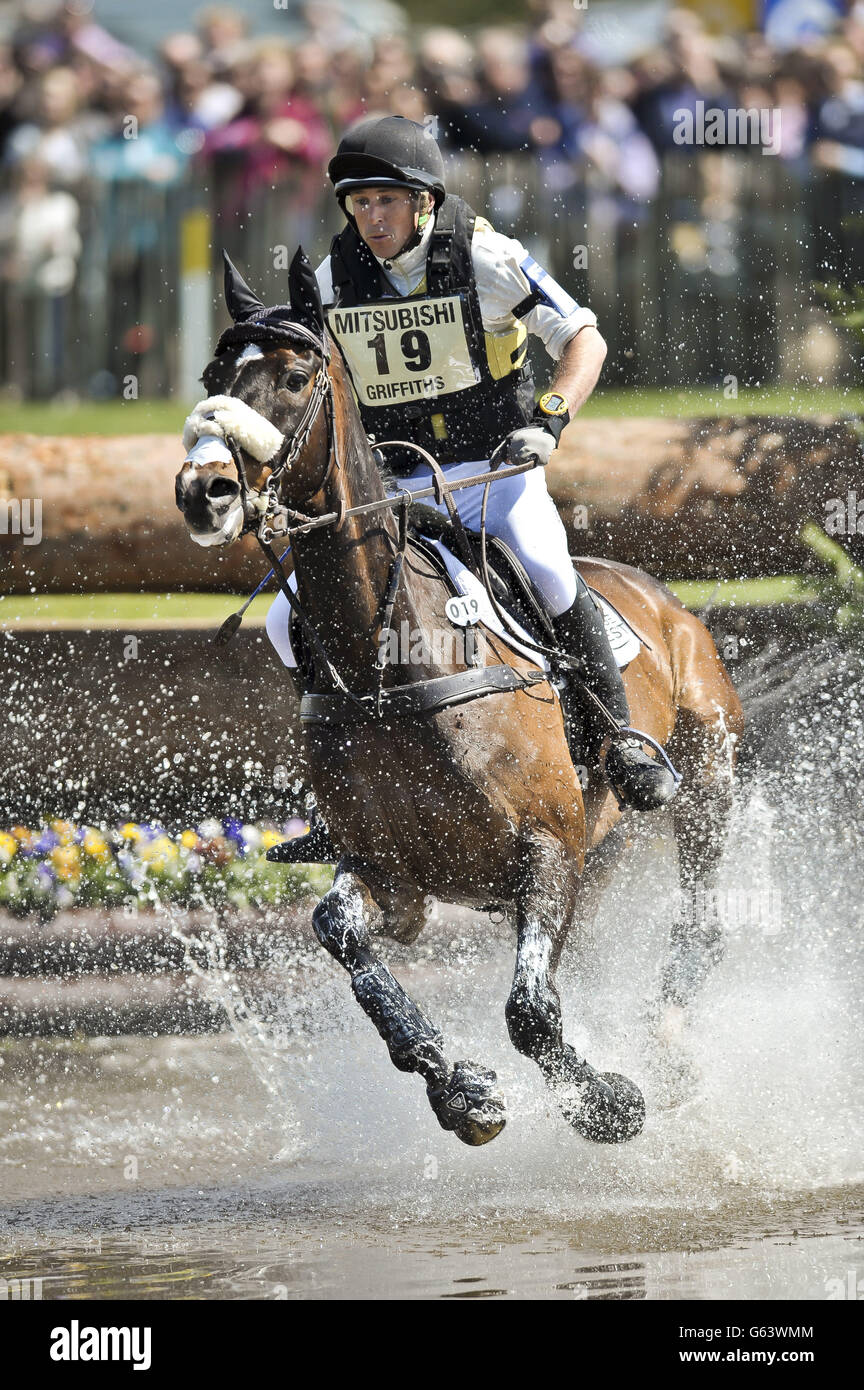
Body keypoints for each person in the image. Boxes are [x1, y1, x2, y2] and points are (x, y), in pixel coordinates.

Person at [267, 113, 677, 812]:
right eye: (360, 204)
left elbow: (585, 338)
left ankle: (620, 739)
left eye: (385, 201)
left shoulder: (486, 258)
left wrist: (550, 421)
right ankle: (339, 791)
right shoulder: (338, 277)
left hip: (493, 474)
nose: (371, 217)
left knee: (547, 573)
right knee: (285, 619)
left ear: (424, 200)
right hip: (392, 491)